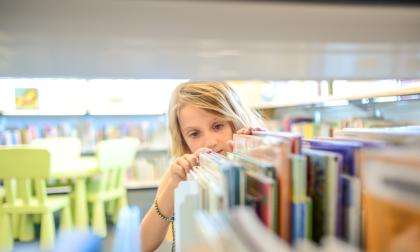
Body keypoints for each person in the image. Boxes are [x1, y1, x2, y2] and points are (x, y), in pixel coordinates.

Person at [140, 81, 264, 252]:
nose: (210, 142)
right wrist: (172, 188)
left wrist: (256, 151)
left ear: (236, 120)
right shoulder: (178, 174)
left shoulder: (251, 160)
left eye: (218, 126)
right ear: (183, 139)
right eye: (195, 134)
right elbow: (143, 245)